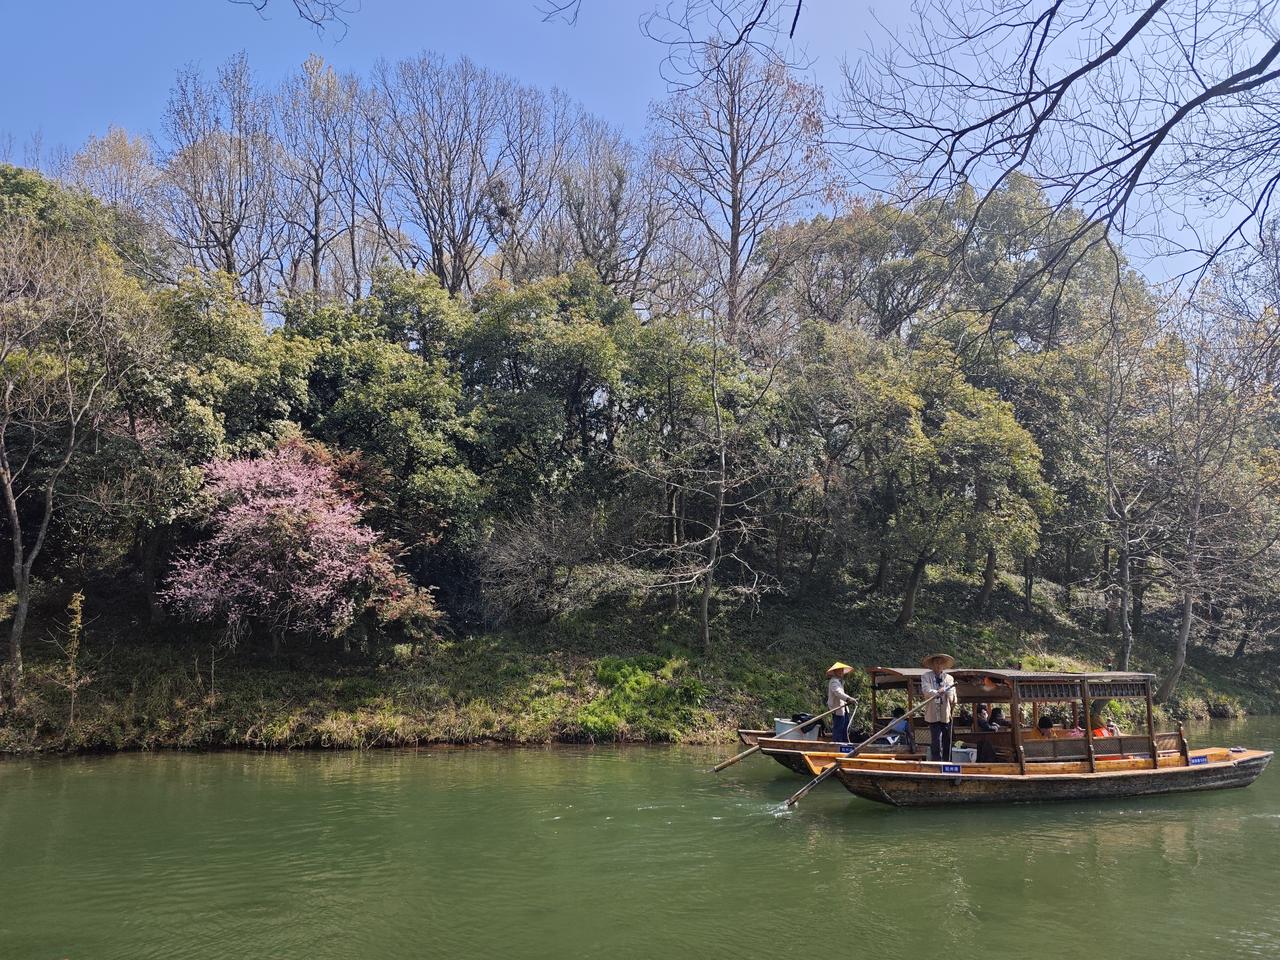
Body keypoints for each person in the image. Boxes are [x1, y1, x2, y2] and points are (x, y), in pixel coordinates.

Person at [919, 653, 958, 762]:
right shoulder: (926, 676)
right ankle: (936, 763)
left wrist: (947, 692)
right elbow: (926, 690)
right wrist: (937, 692)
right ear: (932, 664)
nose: (938, 665)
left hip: (946, 714)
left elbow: (952, 693)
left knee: (947, 740)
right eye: (936, 662)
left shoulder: (949, 678)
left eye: (940, 663)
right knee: (936, 740)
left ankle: (947, 762)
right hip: (932, 714)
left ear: (944, 665)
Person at [826, 662, 858, 743]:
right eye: (839, 671)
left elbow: (841, 693)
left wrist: (848, 699)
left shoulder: (840, 682)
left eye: (842, 671)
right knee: (838, 729)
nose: (841, 672)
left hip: (843, 709)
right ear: (835, 672)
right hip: (837, 709)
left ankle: (845, 745)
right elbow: (838, 693)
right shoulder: (834, 682)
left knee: (845, 729)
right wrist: (848, 699)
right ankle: (837, 746)